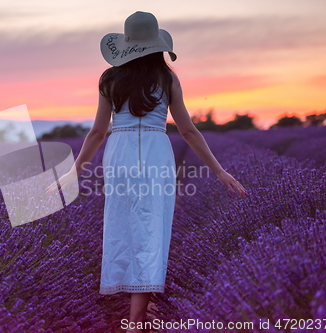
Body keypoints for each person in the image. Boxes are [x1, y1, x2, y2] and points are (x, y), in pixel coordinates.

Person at [45, 11, 247, 333]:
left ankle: (128, 313)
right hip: (155, 153)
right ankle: (136, 321)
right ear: (157, 45)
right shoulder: (167, 79)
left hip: (120, 154)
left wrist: (74, 172)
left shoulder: (109, 79)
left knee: (121, 226)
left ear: (126, 46)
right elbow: (189, 132)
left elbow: (97, 132)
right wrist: (219, 171)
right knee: (151, 228)